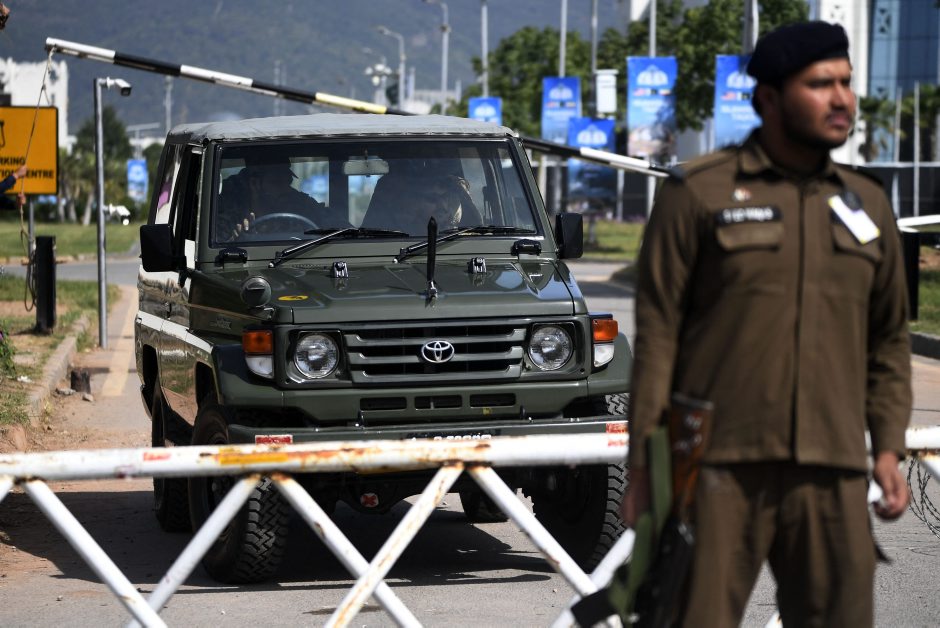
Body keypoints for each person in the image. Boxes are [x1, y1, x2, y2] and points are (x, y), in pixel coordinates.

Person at [623, 21, 911, 627]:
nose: (842, 99)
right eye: (821, 84)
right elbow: (658, 340)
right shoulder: (696, 194)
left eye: (846, 83)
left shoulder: (867, 203)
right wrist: (645, 469)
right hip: (715, 469)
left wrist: (887, 446)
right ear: (770, 98)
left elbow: (887, 340)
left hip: (832, 468)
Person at [217, 158, 347, 241]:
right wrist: (235, 242)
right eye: (276, 182)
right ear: (255, 183)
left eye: (288, 181)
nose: (286, 189)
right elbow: (217, 254)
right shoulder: (228, 211)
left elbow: (343, 229)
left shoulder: (301, 203)